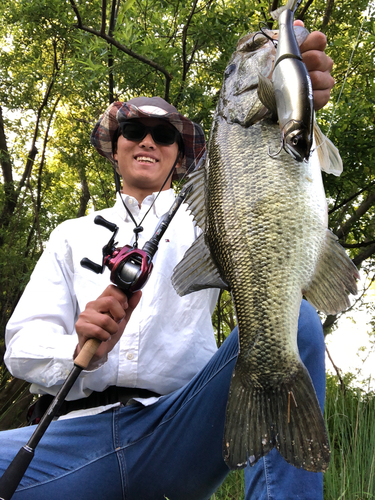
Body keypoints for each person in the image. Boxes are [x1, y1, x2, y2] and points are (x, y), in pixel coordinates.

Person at [0, 29, 334, 500]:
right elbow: (20, 347)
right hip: (72, 438)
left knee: (294, 321)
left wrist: (297, 104)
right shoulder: (68, 236)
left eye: (164, 135)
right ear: (115, 148)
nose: (148, 142)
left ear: (179, 155)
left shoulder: (215, 215)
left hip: (181, 427)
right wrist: (77, 346)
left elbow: (279, 182)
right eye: (134, 131)